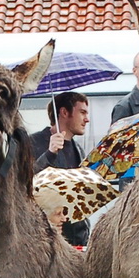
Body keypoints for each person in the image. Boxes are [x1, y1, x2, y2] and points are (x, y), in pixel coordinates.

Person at [30, 91, 91, 245]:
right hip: (46, 240)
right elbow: (27, 182)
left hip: (78, 239)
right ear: (64, 112)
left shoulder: (79, 149)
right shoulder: (32, 142)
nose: (87, 119)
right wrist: (50, 153)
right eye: (82, 112)